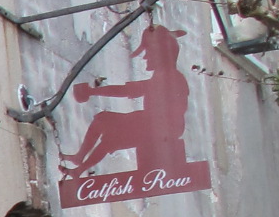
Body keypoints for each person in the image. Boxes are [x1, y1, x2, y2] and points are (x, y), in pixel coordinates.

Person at [60, 24, 191, 179]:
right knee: (104, 122)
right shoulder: (161, 77)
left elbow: (129, 91)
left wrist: (93, 92)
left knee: (107, 129)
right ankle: (79, 161)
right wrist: (93, 92)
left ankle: (79, 166)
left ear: (159, 54)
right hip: (152, 123)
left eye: (149, 52)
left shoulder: (170, 78)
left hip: (162, 128)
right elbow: (131, 90)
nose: (146, 57)